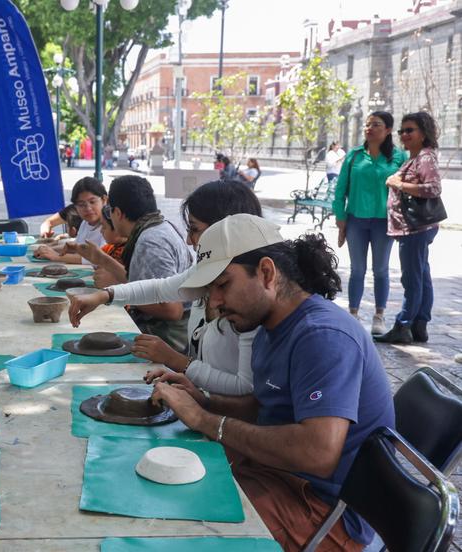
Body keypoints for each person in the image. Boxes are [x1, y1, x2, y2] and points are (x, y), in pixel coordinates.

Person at [70, 214, 393, 551]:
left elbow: (317, 452)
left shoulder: (322, 336)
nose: (215, 302)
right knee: (148, 486)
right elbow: (262, 406)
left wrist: (205, 420)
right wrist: (203, 400)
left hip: (326, 511)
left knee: (178, 529)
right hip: (281, 476)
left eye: (223, 285)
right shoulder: (270, 324)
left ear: (267, 273)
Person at [72, 180, 260, 395]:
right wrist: (105, 295)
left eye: (195, 229)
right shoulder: (207, 270)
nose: (189, 241)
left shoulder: (251, 295)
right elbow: (161, 287)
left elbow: (245, 387)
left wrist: (177, 361)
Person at [70, 175, 193, 350]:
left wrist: (116, 291)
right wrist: (102, 259)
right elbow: (144, 283)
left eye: (110, 211)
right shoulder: (159, 226)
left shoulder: (151, 242)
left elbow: (172, 310)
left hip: (167, 340)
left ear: (118, 213)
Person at [332, 111, 407, 335]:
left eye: (376, 124)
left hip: (384, 222)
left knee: (381, 270)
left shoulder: (398, 157)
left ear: (387, 130)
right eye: (367, 125)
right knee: (357, 269)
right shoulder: (354, 156)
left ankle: (379, 315)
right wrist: (340, 217)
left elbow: (407, 189)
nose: (369, 128)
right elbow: (340, 190)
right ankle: (353, 314)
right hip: (356, 220)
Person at [375, 111, 444, 345]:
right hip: (413, 228)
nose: (404, 135)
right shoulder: (414, 158)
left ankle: (403, 325)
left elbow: (433, 189)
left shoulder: (425, 157)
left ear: (423, 133)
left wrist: (399, 183)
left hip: (415, 229)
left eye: (410, 130)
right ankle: (419, 324)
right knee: (421, 276)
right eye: (402, 131)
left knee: (412, 278)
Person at [34, 177, 108, 264]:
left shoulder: (109, 227)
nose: (88, 208)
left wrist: (56, 256)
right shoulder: (85, 223)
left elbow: (101, 258)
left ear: (104, 200)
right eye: (81, 204)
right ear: (75, 206)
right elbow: (76, 247)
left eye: (92, 202)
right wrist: (49, 250)